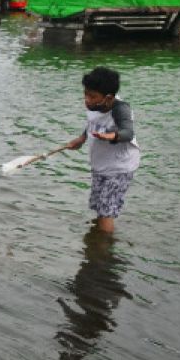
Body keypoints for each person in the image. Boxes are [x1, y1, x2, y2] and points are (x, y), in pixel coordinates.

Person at [64, 67, 141, 234]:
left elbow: (128, 132)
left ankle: (102, 251)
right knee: (99, 204)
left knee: (107, 210)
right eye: (85, 94)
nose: (87, 100)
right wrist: (82, 138)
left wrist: (111, 136)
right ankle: (96, 238)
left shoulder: (120, 109)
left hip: (120, 167)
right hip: (101, 165)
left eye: (92, 96)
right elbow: (92, 123)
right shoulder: (94, 107)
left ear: (108, 98)